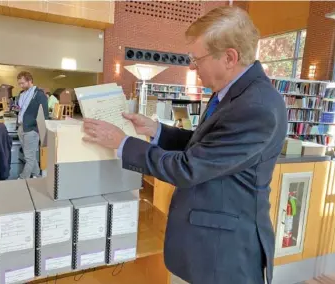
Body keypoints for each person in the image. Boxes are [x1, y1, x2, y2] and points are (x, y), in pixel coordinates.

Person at [82, 6, 287, 284]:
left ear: (229, 57)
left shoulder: (256, 106)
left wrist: (122, 143)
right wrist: (157, 131)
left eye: (197, 58)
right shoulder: (232, 93)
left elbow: (189, 168)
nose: (192, 67)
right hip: (209, 244)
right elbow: (207, 147)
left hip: (224, 254)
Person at [16, 71, 48, 179]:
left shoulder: (39, 94)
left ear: (30, 81)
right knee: (29, 155)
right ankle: (36, 175)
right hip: (21, 127)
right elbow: (23, 110)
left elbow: (44, 114)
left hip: (31, 129)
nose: (21, 85)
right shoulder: (22, 94)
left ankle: (22, 178)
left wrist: (38, 130)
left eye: (23, 83)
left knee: (28, 158)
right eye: (19, 83)